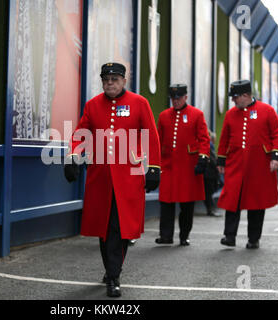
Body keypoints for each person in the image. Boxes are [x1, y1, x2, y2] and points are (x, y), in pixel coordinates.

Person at [64, 62, 161, 297]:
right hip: (100, 179)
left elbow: (151, 136)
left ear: (124, 81)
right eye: (106, 79)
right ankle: (111, 269)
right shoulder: (93, 105)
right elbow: (80, 134)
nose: (110, 82)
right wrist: (73, 155)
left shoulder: (140, 103)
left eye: (115, 79)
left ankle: (114, 276)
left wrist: (154, 168)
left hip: (129, 177)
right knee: (103, 228)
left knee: (120, 227)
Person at [217, 80, 278, 249]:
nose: (233, 101)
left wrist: (276, 156)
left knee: (256, 202)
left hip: (259, 165)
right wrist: (221, 160)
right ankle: (229, 236)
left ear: (246, 95)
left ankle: (253, 239)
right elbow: (224, 138)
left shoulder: (267, 111)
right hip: (236, 164)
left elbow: (277, 133)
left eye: (236, 97)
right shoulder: (230, 114)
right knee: (232, 199)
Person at [155, 84, 210, 246]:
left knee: (187, 204)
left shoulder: (197, 115)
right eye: (173, 99)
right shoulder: (164, 116)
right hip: (168, 165)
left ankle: (184, 235)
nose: (176, 101)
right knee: (166, 202)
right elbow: (158, 139)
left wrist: (203, 158)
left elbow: (204, 139)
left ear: (186, 97)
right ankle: (166, 236)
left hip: (188, 166)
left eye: (178, 98)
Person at [203, 130, 221, 217]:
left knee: (208, 193)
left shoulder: (208, 145)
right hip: (209, 173)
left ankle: (210, 209)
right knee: (208, 193)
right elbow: (212, 159)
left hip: (208, 173)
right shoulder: (208, 145)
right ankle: (210, 210)